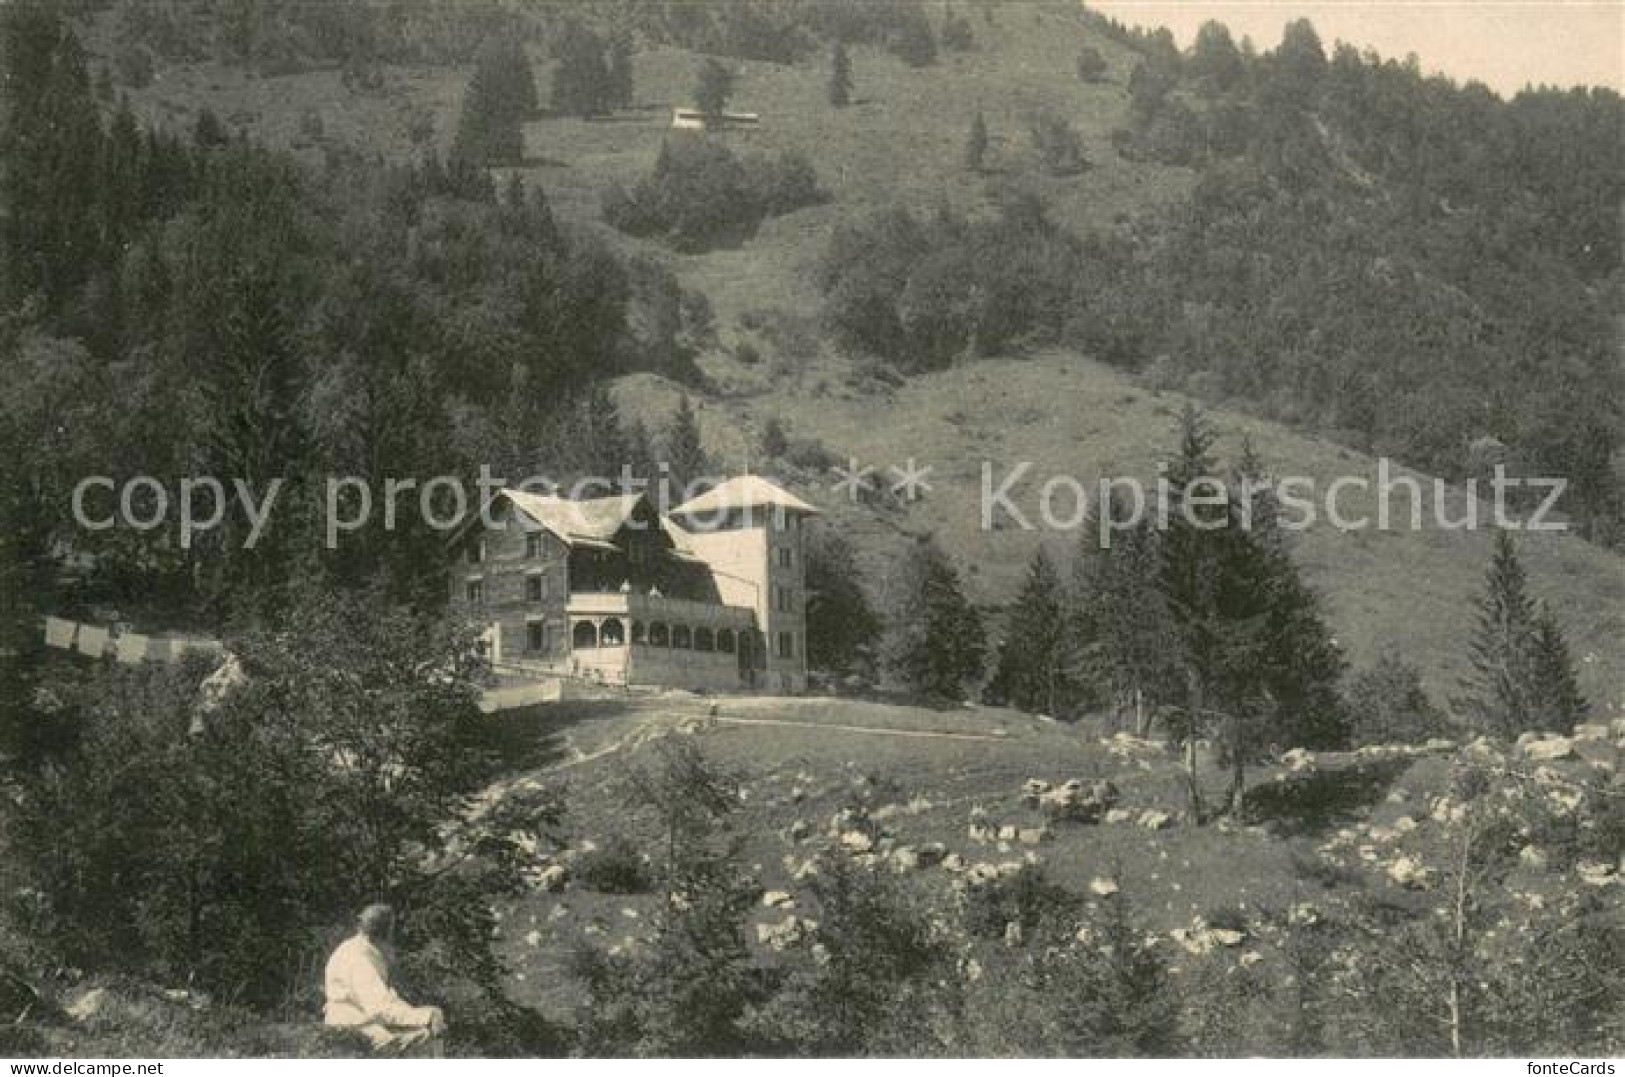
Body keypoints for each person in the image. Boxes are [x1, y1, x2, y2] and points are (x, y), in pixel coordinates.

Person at [323, 904, 446, 1056]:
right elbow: (379, 1008)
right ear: (386, 933)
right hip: (352, 1025)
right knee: (422, 1036)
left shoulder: (354, 948)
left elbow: (385, 1000)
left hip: (359, 1019)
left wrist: (419, 1013)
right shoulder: (359, 959)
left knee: (421, 1028)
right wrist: (426, 1017)